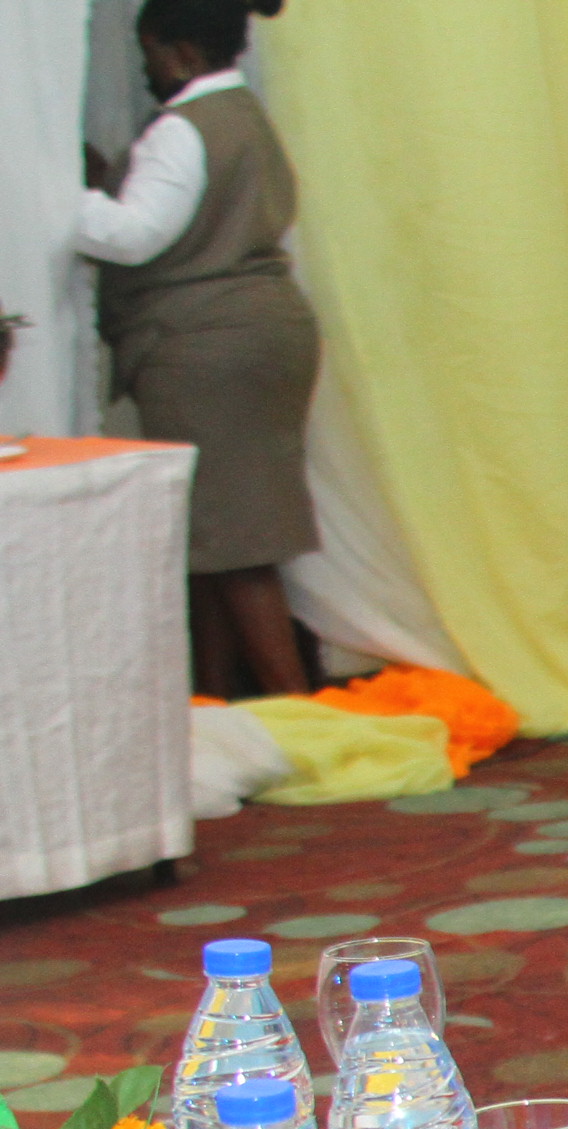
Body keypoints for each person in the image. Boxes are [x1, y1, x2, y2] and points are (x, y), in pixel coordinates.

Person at [74, 0, 316, 701]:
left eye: (147, 51)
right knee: (214, 533)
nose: (143, 69)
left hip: (207, 348)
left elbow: (133, 237)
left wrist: (55, 195)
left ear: (179, 51)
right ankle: (211, 699)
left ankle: (300, 715)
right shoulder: (244, 116)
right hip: (260, 333)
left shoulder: (184, 127)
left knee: (234, 542)